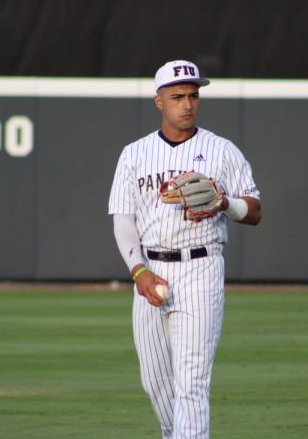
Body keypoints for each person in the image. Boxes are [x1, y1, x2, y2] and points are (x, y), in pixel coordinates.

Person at [108, 60, 262, 438]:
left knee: (191, 384)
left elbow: (255, 210)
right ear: (159, 101)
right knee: (157, 384)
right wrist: (138, 271)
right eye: (177, 96)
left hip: (200, 268)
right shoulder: (134, 154)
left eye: (193, 95)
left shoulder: (221, 150)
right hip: (151, 270)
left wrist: (225, 203)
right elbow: (123, 220)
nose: (188, 104)